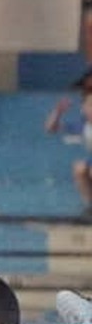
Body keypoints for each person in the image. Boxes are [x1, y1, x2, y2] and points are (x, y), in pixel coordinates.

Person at [46, 70, 92, 218]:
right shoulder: (82, 125)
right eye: (88, 105)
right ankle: (90, 206)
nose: (90, 109)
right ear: (83, 109)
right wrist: (58, 112)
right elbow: (50, 129)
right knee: (79, 168)